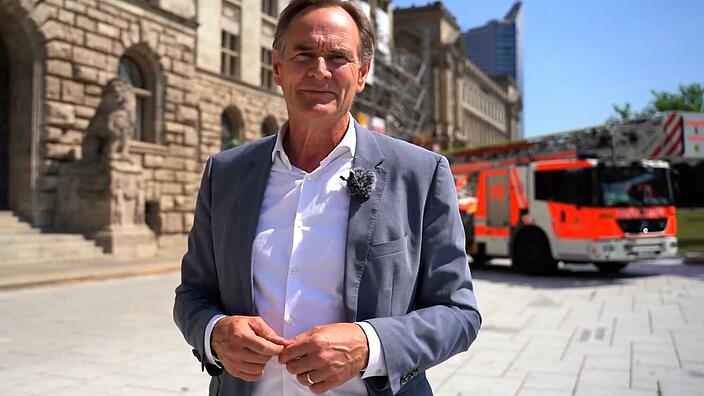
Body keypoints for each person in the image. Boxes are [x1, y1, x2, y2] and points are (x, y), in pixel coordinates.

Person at [173, 1, 481, 395]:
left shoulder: (419, 173)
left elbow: (459, 314)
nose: (320, 70)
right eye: (303, 54)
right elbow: (193, 295)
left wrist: (370, 345)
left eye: (338, 57)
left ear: (363, 72)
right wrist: (215, 333)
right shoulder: (226, 174)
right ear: (278, 68)